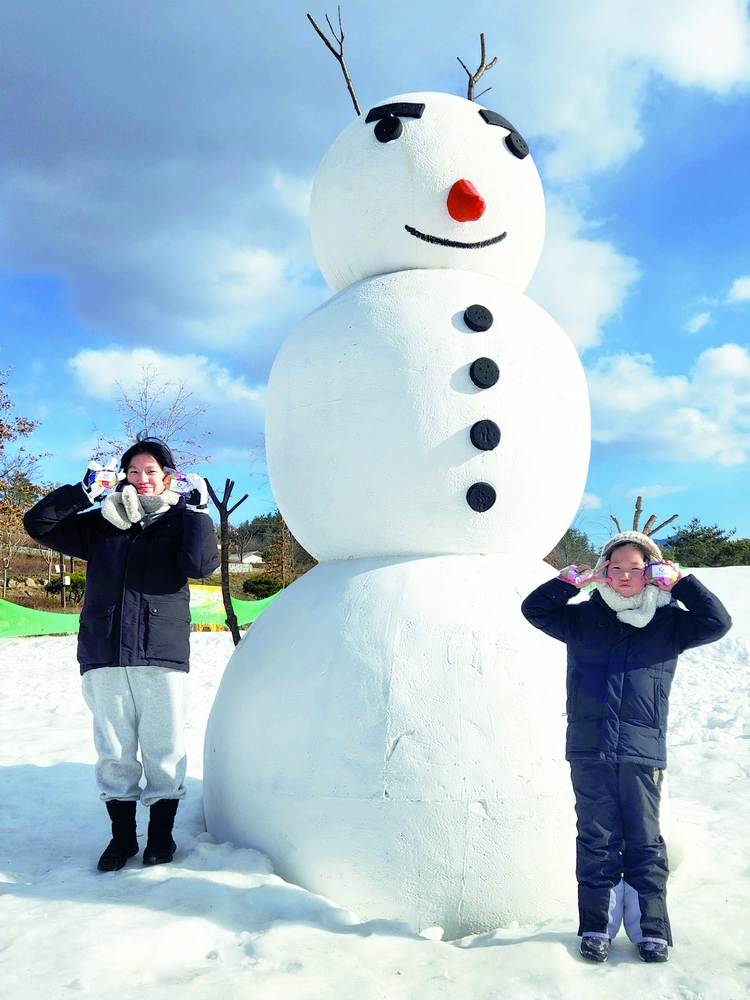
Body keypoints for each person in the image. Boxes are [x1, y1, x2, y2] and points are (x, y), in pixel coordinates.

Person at [521, 530, 731, 965]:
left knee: (645, 841)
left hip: (641, 749)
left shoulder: (671, 622)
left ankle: (650, 930)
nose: (622, 577)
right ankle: (597, 927)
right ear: (603, 571)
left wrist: (683, 583)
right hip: (588, 748)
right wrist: (569, 582)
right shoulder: (580, 619)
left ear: (651, 571)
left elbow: (717, 622)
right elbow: (534, 609)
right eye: (614, 568)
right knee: (596, 839)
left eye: (635, 568)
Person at [23, 436, 220, 872]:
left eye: (151, 471)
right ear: (122, 477)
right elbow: (38, 525)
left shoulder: (182, 521)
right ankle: (123, 840)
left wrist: (201, 511)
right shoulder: (102, 524)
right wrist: (82, 492)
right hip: (105, 650)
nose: (142, 479)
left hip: (160, 652)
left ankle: (161, 838)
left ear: (168, 476)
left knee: (163, 749)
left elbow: (201, 566)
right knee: (113, 750)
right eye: (133, 472)